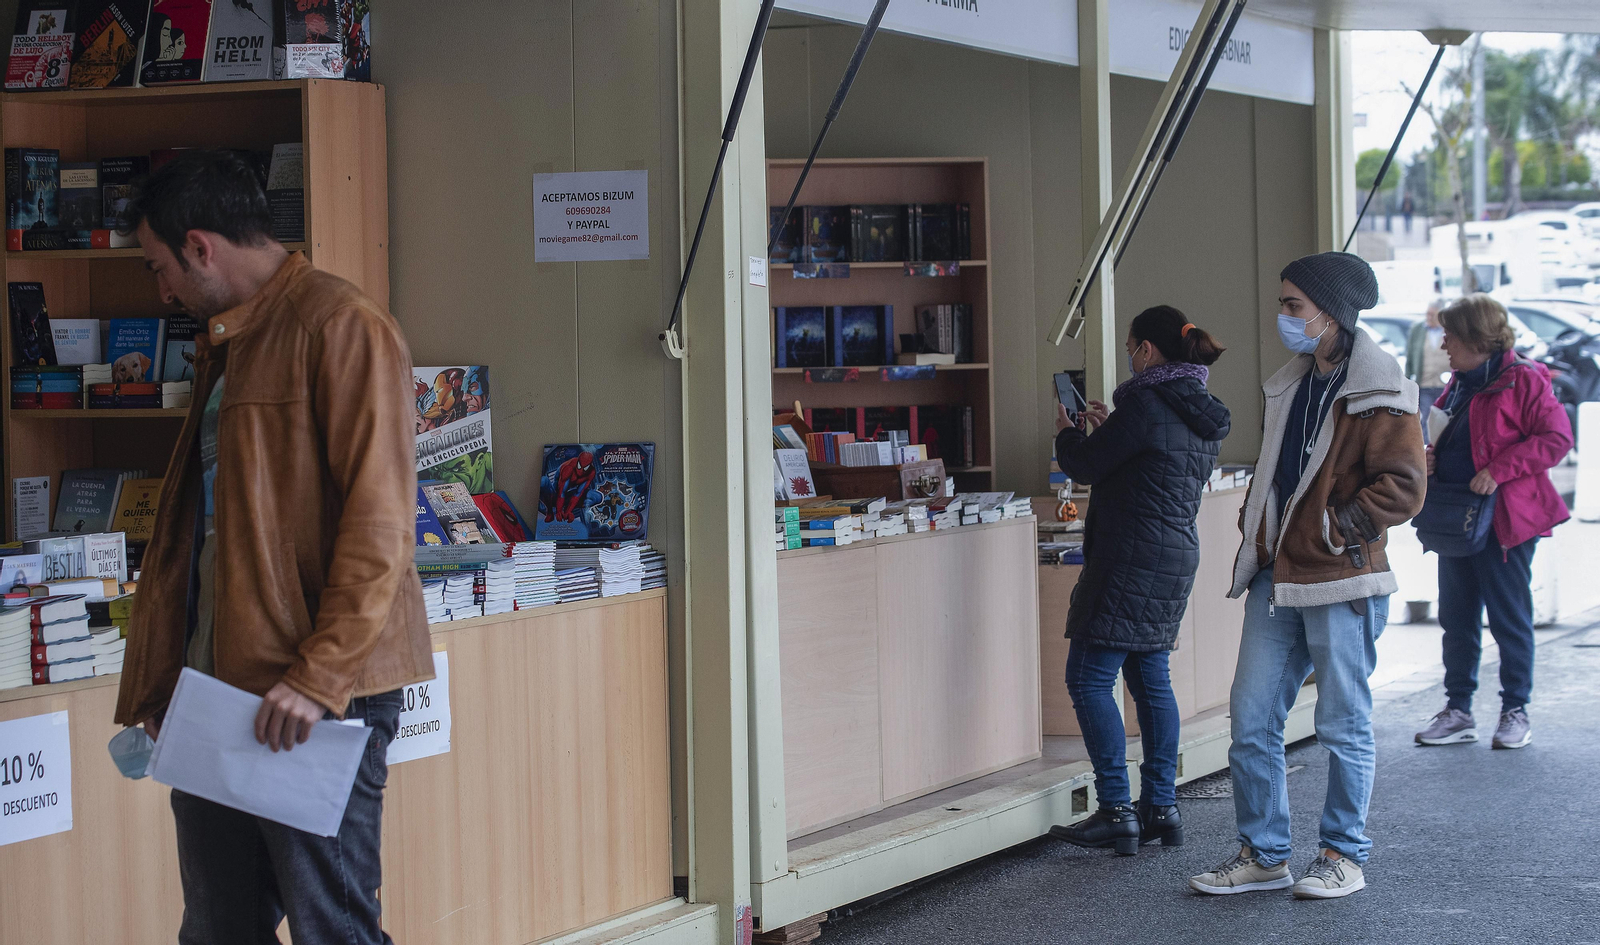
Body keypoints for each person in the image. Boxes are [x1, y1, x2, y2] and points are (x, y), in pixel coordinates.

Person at [112, 150, 433, 944]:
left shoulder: (341, 325)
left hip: (315, 694)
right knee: (218, 928)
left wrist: (318, 676)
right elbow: (209, 535)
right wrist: (167, 676)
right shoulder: (232, 339)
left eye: (160, 267)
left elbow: (380, 525)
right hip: (220, 695)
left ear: (200, 246)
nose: (162, 292)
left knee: (335, 927)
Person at [1190, 252, 1425, 900]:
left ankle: (1342, 855)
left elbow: (1405, 486)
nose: (1284, 316)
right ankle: (1265, 855)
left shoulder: (1381, 388)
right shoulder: (1290, 383)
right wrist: (1262, 523)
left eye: (1295, 305)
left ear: (1332, 313)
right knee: (1251, 717)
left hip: (1340, 579)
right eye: (1284, 304)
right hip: (1278, 576)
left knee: (1343, 723)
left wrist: (1332, 530)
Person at [1047, 306, 1231, 855]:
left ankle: (1115, 809)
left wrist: (1066, 434)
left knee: (1088, 677)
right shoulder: (1198, 408)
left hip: (1128, 556)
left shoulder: (1146, 404)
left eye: (1131, 348)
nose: (1130, 358)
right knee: (1151, 677)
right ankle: (1161, 807)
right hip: (1174, 555)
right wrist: (1112, 430)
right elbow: (1149, 465)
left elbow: (1085, 465)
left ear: (1147, 350)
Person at [1414, 294, 1571, 751]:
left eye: (1450, 336)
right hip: (1458, 519)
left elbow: (1557, 438)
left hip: (1506, 521)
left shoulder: (1524, 379)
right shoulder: (1459, 382)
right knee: (1456, 618)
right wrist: (1430, 457)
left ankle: (1515, 711)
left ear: (1476, 339)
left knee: (1508, 618)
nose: (1443, 345)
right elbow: (1448, 435)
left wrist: (1500, 469)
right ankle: (1458, 711)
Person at [1406, 299, 1451, 441]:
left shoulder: (1450, 328)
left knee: (1444, 418)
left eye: (1433, 314)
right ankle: (1426, 446)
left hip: (1445, 384)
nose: (1429, 317)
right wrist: (1407, 380)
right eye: (1428, 314)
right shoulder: (1418, 329)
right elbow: (1410, 356)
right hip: (1425, 384)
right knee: (1425, 418)